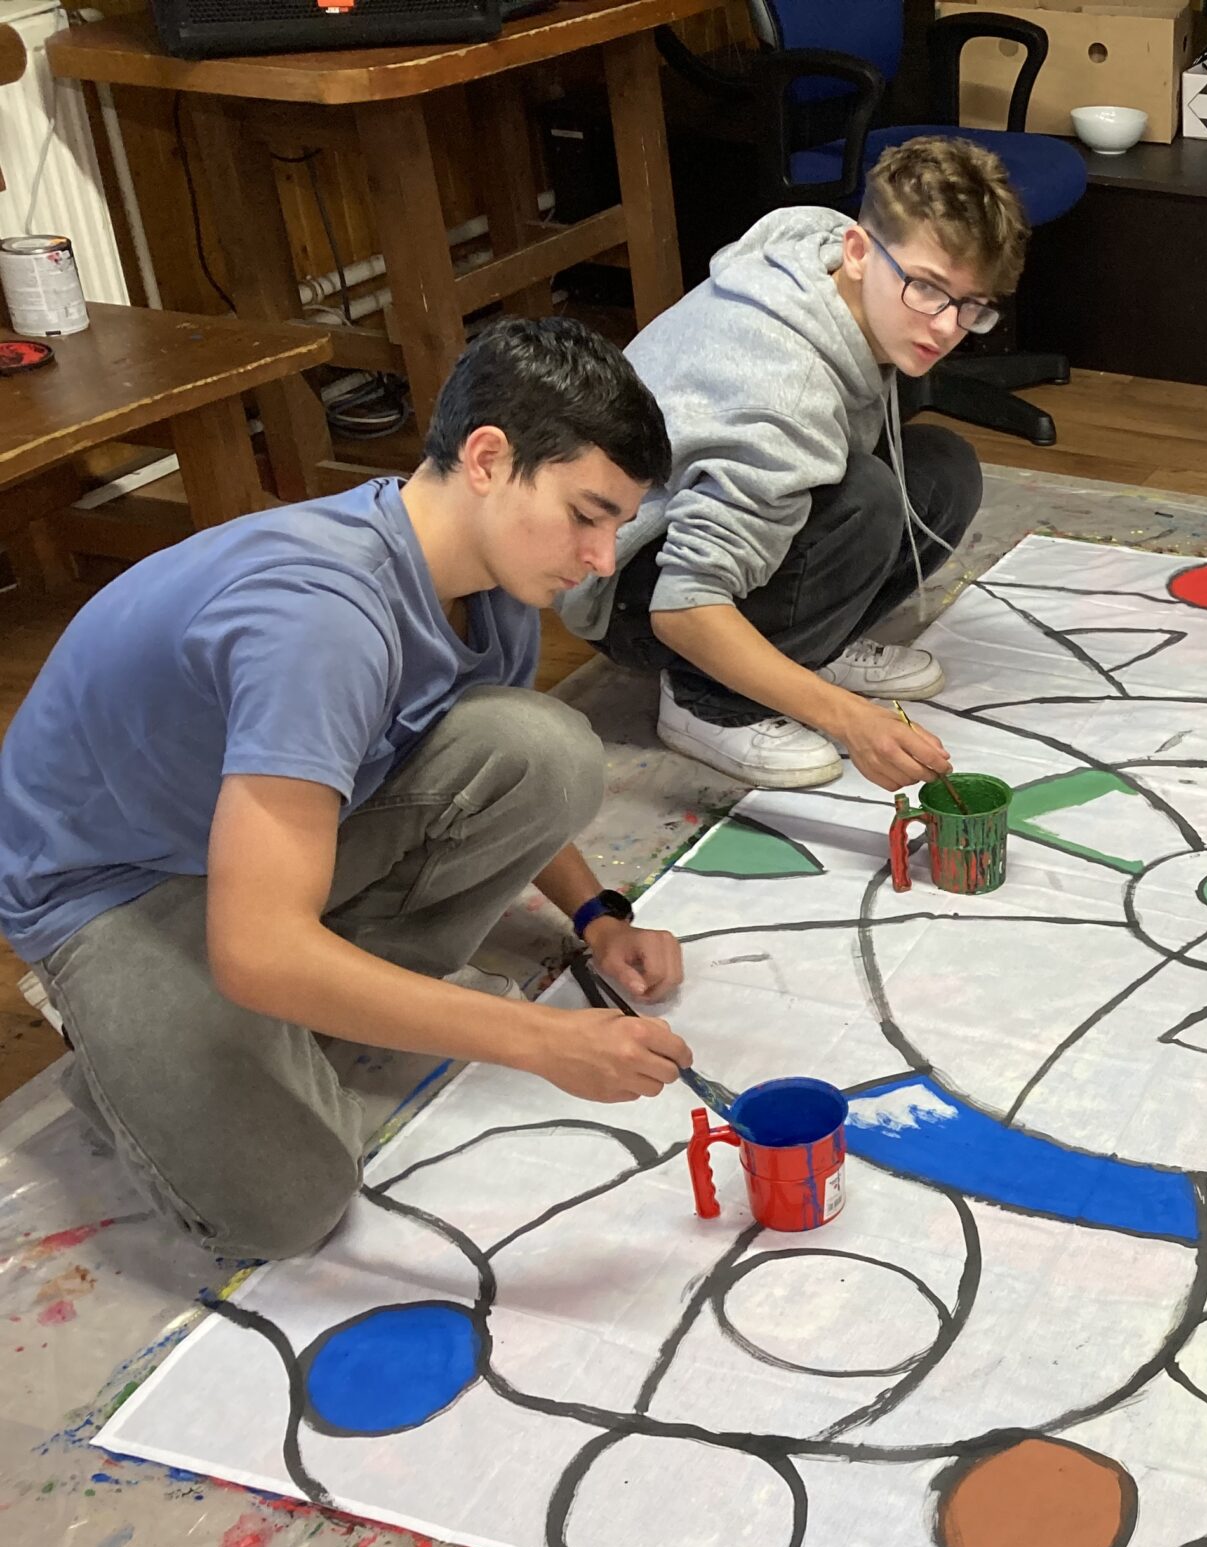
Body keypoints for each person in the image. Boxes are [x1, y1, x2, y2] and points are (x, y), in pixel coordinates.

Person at [0, 318, 696, 1261]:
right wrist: (536, 1040)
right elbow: (254, 950)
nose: (603, 558)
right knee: (286, 1205)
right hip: (112, 883)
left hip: (239, 839)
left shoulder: (488, 580)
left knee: (546, 749)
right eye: (587, 514)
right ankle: (132, 1048)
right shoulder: (321, 621)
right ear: (488, 459)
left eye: (617, 525)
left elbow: (500, 767)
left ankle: (294, 1008)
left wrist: (599, 917)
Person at [563, 137, 1029, 789]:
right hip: (621, 579)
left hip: (694, 514)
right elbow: (682, 606)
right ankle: (706, 703)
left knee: (943, 470)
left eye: (970, 304)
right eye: (927, 288)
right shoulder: (785, 398)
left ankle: (810, 646)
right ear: (860, 252)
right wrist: (847, 719)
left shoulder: (829, 252)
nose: (948, 327)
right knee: (868, 498)